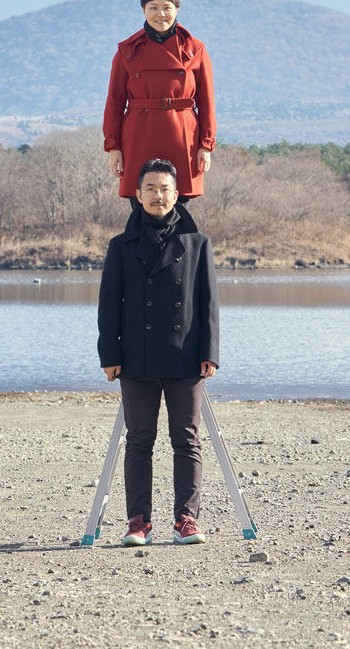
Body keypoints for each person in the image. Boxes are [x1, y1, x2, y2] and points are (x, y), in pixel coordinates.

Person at [97, 158, 219, 546]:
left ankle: (186, 519)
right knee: (139, 440)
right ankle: (138, 522)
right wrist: (109, 355)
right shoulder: (120, 246)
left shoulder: (198, 244)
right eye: (150, 188)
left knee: (186, 438)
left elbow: (208, 304)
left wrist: (210, 353)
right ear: (137, 194)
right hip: (136, 357)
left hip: (186, 356)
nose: (157, 195)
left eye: (165, 188)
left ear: (177, 194)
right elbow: (108, 306)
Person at [103, 0, 216, 203]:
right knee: (140, 201)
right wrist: (113, 147)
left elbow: (207, 100)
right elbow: (114, 102)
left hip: (183, 134)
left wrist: (206, 144)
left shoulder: (195, 49)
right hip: (139, 135)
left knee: (179, 203)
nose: (160, 14)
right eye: (153, 7)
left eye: (167, 7)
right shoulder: (127, 51)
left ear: (177, 10)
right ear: (143, 10)